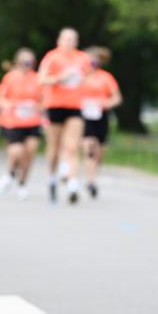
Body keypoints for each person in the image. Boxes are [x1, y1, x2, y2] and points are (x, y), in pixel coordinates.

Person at [38, 28, 92, 203]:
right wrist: (59, 78)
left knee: (72, 146)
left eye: (73, 39)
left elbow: (89, 78)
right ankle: (52, 177)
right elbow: (41, 79)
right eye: (66, 39)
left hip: (75, 106)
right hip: (55, 105)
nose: (70, 42)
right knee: (54, 147)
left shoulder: (82, 58)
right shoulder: (52, 57)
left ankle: (73, 184)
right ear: (59, 40)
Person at [0, 49, 44, 199]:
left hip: (32, 121)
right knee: (17, 152)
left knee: (30, 151)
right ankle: (10, 173)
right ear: (18, 62)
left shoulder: (37, 79)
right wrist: (7, 105)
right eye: (24, 62)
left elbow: (44, 100)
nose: (27, 65)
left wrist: (37, 107)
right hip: (13, 122)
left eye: (30, 62)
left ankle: (22, 183)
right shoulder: (10, 78)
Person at [80, 47, 123, 198]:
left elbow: (117, 98)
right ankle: (91, 181)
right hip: (85, 116)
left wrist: (106, 103)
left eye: (94, 62)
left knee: (99, 151)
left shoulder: (106, 77)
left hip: (101, 115)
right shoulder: (80, 77)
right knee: (89, 146)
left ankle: (93, 174)